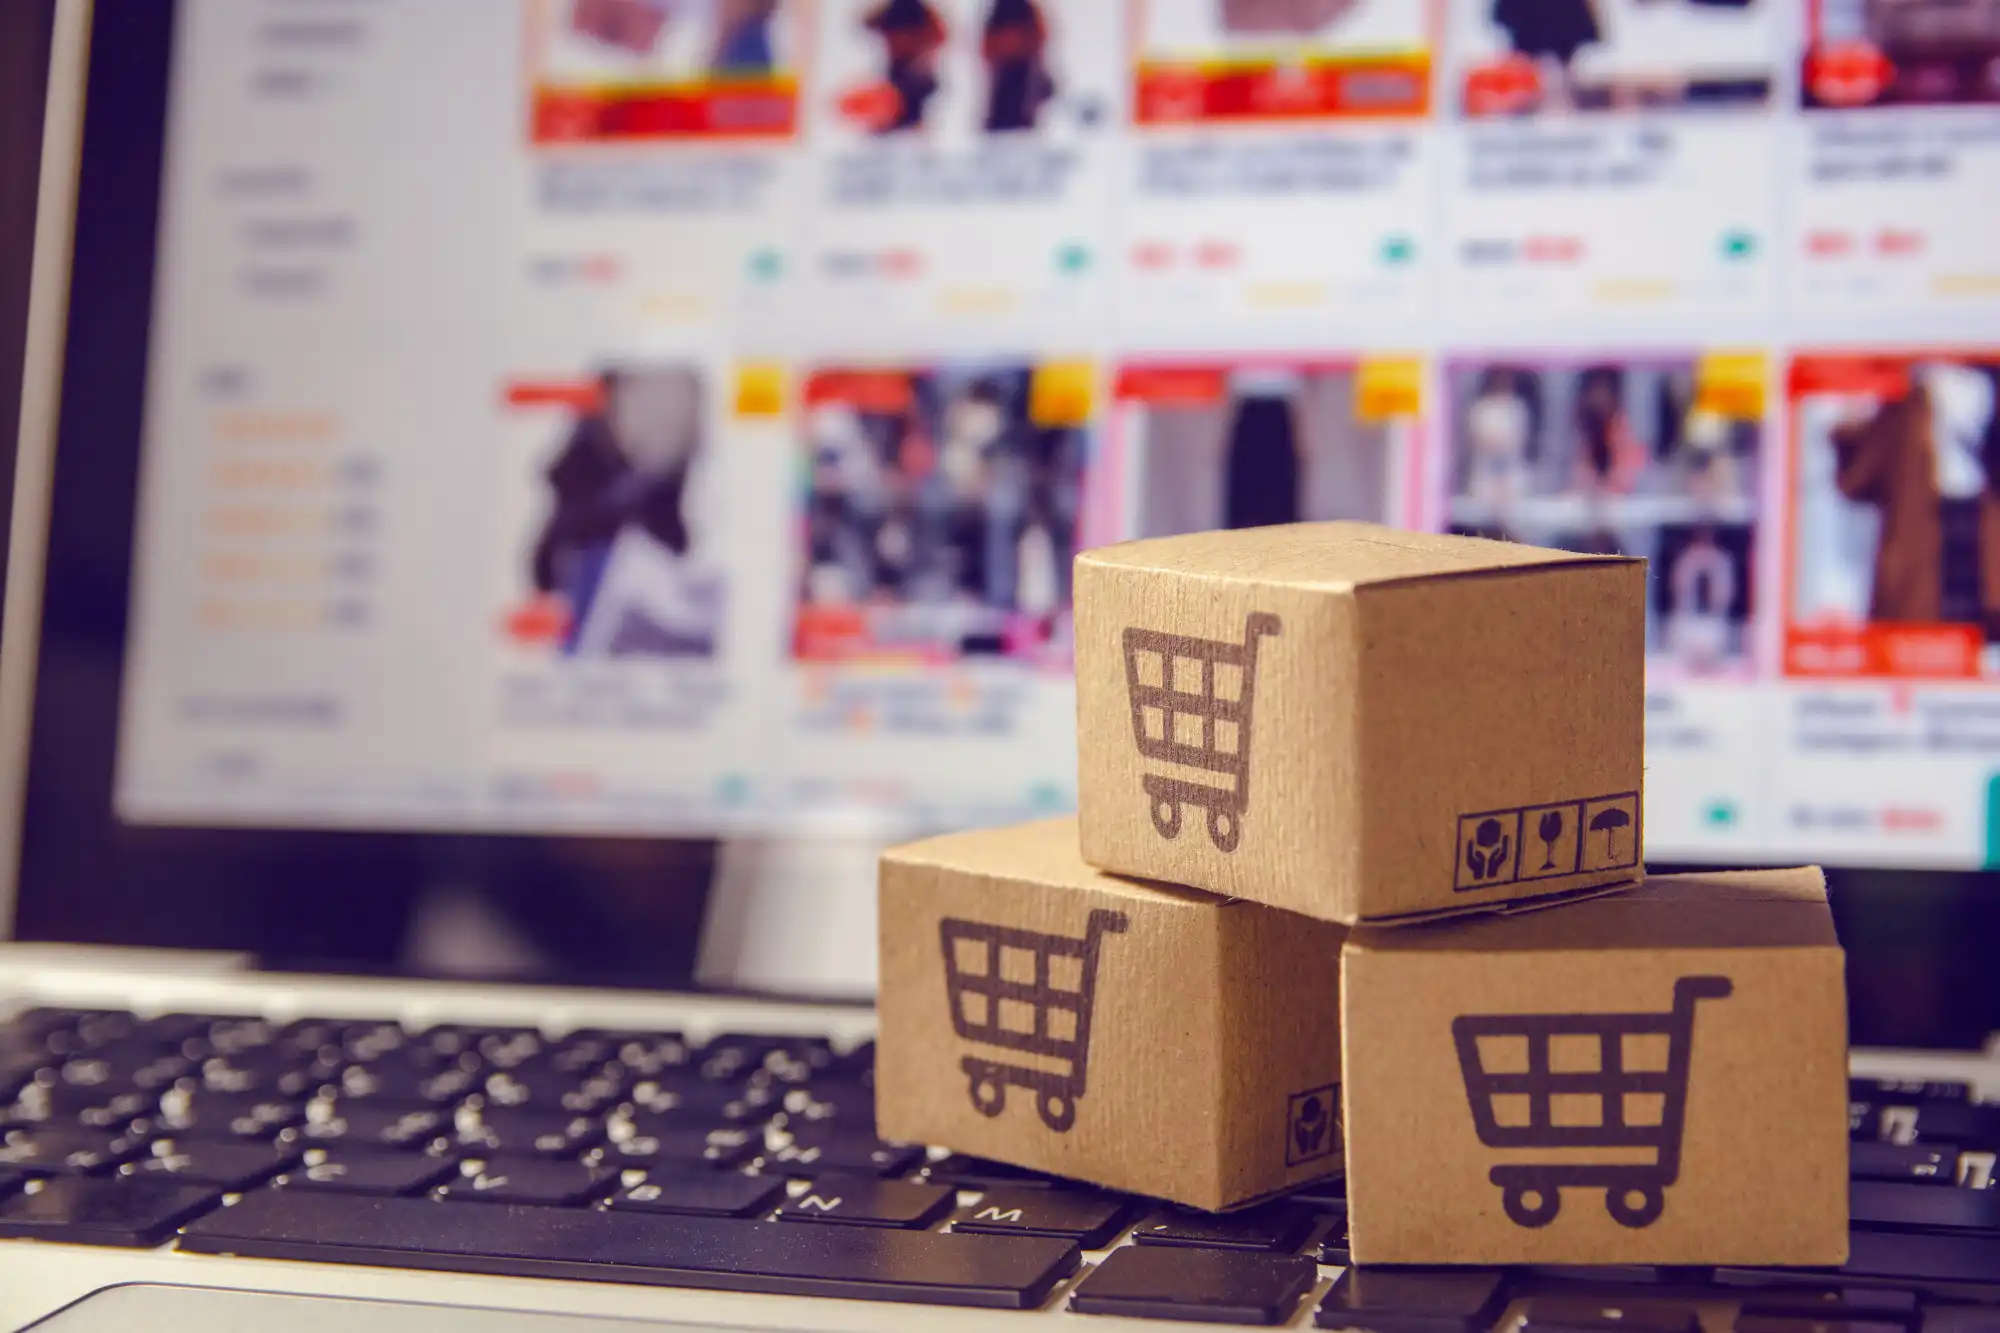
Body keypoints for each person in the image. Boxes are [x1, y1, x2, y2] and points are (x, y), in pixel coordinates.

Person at [1830, 361, 2000, 632]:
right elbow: (1857, 481)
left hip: (1984, 553)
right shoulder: (1907, 400)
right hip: (1923, 568)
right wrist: (1852, 422)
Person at [865, 0, 947, 133]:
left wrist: (918, 45)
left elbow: (941, 35)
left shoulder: (921, 11)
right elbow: (868, 22)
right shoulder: (892, 10)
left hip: (915, 75)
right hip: (896, 78)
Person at [981, 0, 1056, 132]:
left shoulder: (1027, 10)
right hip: (1004, 73)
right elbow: (987, 47)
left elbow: (1041, 35)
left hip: (1023, 70)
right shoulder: (998, 13)